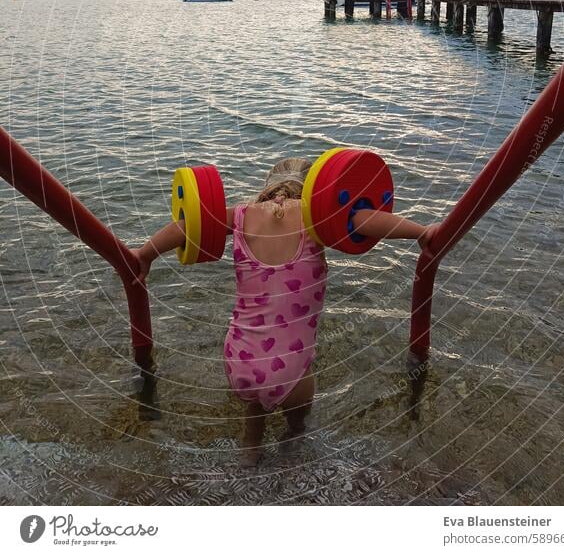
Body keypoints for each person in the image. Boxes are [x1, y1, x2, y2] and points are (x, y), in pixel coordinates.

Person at [131, 156, 436, 465]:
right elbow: (364, 218)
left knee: (254, 416)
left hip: (242, 356)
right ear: (313, 191)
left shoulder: (240, 216)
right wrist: (420, 232)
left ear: (267, 186)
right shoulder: (316, 220)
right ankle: (292, 456)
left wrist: (144, 255)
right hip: (292, 367)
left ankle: (250, 453)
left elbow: (187, 226)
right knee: (297, 427)